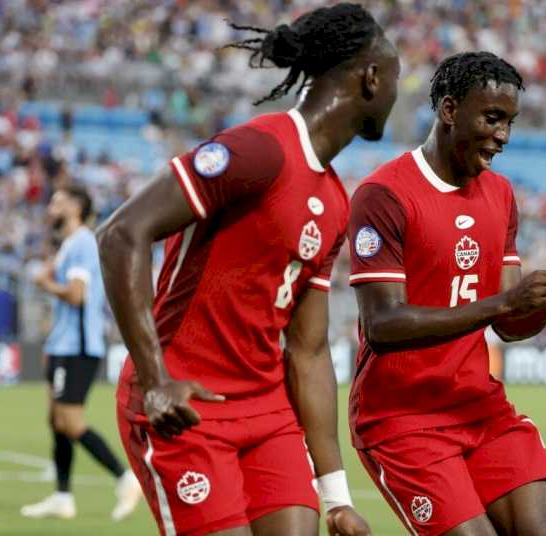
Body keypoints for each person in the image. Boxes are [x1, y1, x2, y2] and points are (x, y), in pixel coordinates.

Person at [96, 4, 399, 535]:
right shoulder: (261, 149)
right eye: (397, 78)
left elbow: (307, 351)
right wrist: (155, 379)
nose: (398, 94)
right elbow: (122, 233)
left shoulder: (334, 201)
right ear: (372, 78)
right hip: (186, 405)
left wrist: (336, 498)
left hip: (267, 412)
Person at [347, 52, 546, 536]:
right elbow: (383, 327)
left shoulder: (500, 193)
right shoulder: (384, 194)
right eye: (493, 118)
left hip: (479, 406)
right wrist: (508, 303)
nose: (503, 136)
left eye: (510, 122)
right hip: (402, 418)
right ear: (450, 110)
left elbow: (509, 325)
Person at [21, 184, 142, 521]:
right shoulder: (71, 245)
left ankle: (125, 478)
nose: (50, 206)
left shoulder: (83, 243)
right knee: (55, 419)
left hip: (76, 347)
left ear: (75, 207)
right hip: (63, 344)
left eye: (56, 200)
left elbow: (77, 295)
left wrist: (46, 284)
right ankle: (62, 497)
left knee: (70, 422)